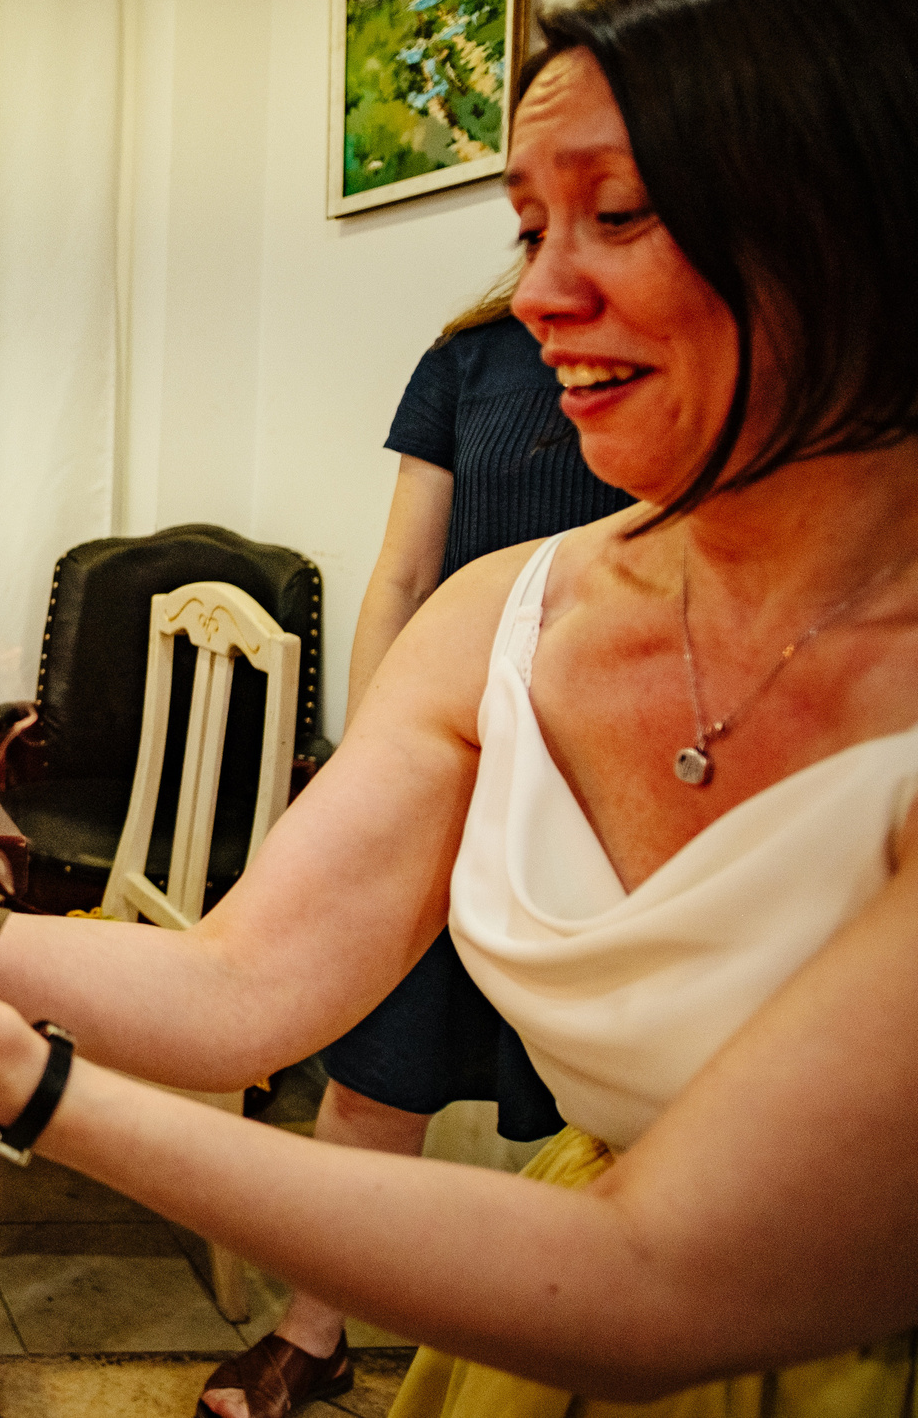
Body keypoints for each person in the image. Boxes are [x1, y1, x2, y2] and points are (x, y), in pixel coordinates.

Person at [0, 0, 918, 1414]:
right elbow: (241, 982)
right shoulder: (505, 611)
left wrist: (31, 1084)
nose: (542, 298)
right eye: (528, 225)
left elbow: (663, 1279)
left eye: (617, 213)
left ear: (853, 217)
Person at [203, 291, 633, 1418]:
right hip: (461, 768)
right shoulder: (468, 360)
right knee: (373, 1074)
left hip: (624, 790)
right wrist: (368, 768)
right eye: (532, 223)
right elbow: (400, 580)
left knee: (626, 1106)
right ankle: (313, 1331)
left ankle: (591, 1347)